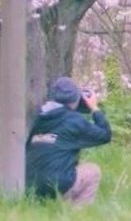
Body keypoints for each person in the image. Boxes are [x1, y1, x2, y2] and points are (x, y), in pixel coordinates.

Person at [26, 76, 112, 207]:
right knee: (93, 171)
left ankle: (54, 207)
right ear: (76, 99)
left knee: (71, 165)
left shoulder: (39, 118)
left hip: (30, 188)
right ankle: (77, 213)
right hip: (55, 185)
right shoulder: (73, 121)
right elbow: (104, 135)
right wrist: (94, 108)